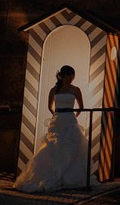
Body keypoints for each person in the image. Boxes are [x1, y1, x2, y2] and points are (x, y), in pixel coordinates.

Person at [14, 65, 89, 193]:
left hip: (70, 120)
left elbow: (81, 107)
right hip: (57, 120)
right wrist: (57, 116)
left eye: (72, 76)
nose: (70, 79)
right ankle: (50, 174)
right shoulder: (54, 90)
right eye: (68, 76)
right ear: (62, 76)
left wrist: (72, 116)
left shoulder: (76, 90)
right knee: (53, 147)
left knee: (71, 147)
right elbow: (50, 107)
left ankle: (69, 178)